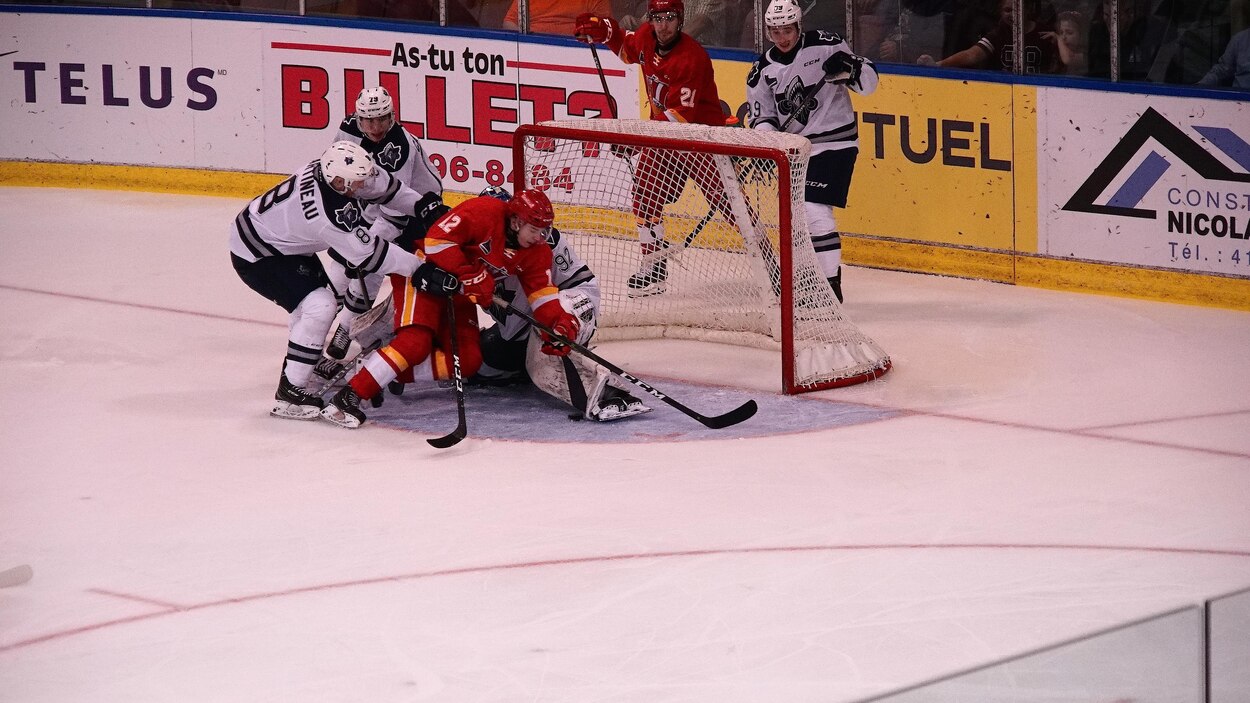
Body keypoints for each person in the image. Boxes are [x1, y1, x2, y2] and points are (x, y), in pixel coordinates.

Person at [229, 141, 460, 421]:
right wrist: (420, 269)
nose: (360, 188)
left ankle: (303, 365)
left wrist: (420, 204)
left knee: (311, 305)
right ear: (337, 181)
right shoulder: (325, 213)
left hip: (280, 241)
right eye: (354, 184)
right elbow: (373, 255)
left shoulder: (341, 169)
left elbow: (384, 187)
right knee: (320, 305)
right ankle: (290, 393)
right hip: (257, 253)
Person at [320, 189, 583, 429]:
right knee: (415, 343)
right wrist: (470, 275)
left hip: (458, 294)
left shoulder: (537, 253)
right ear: (516, 221)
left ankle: (376, 372)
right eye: (535, 229)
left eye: (544, 231)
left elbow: (543, 298)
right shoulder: (485, 211)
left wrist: (559, 324)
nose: (540, 237)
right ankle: (348, 398)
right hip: (426, 275)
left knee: (467, 361)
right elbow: (436, 240)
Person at [575, 0, 735, 296]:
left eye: (670, 18)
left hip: (700, 139)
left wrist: (635, 141)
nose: (663, 26)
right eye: (657, 18)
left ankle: (772, 266)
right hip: (660, 137)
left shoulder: (692, 58)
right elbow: (627, 47)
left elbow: (678, 118)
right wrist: (604, 30)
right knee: (644, 198)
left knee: (730, 205)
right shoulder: (648, 35)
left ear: (680, 19)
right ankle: (654, 266)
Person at [471, 187, 651, 422]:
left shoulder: (535, 241)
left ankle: (608, 393)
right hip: (521, 326)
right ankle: (522, 366)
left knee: (545, 350)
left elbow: (553, 295)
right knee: (482, 363)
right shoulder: (474, 248)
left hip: (570, 305)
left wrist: (560, 323)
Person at [745, 0, 879, 302]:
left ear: (798, 26)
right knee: (797, 215)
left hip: (836, 142)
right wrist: (771, 142)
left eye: (787, 30)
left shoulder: (827, 45)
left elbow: (870, 84)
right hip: (796, 151)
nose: (782, 37)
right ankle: (810, 275)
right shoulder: (761, 71)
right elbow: (761, 117)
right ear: (767, 31)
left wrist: (851, 68)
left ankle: (830, 287)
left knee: (814, 209)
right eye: (775, 31)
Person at [315, 86, 446, 382]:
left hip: (415, 213)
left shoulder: (398, 147)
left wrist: (365, 250)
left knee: (372, 269)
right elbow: (334, 170)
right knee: (338, 274)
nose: (375, 127)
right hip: (366, 202)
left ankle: (345, 331)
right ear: (358, 118)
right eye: (368, 120)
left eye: (382, 119)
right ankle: (312, 341)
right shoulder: (349, 128)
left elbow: (394, 209)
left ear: (393, 116)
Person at [917, 0, 1060, 73]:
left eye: (1017, 9)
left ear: (1028, 9)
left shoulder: (1046, 32)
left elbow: (1068, 63)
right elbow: (972, 55)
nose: (1012, 14)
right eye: (1007, 10)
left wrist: (1060, 43)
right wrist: (938, 64)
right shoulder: (999, 33)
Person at [502, 0, 611, 34]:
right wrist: (528, 40)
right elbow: (509, 23)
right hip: (532, 52)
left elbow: (606, 29)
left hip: (579, 53)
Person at [1044, 10, 1088, 74]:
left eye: (1069, 33)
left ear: (1081, 35)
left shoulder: (1088, 55)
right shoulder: (1058, 54)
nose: (1063, 37)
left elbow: (1069, 59)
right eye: (1061, 32)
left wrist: (1058, 39)